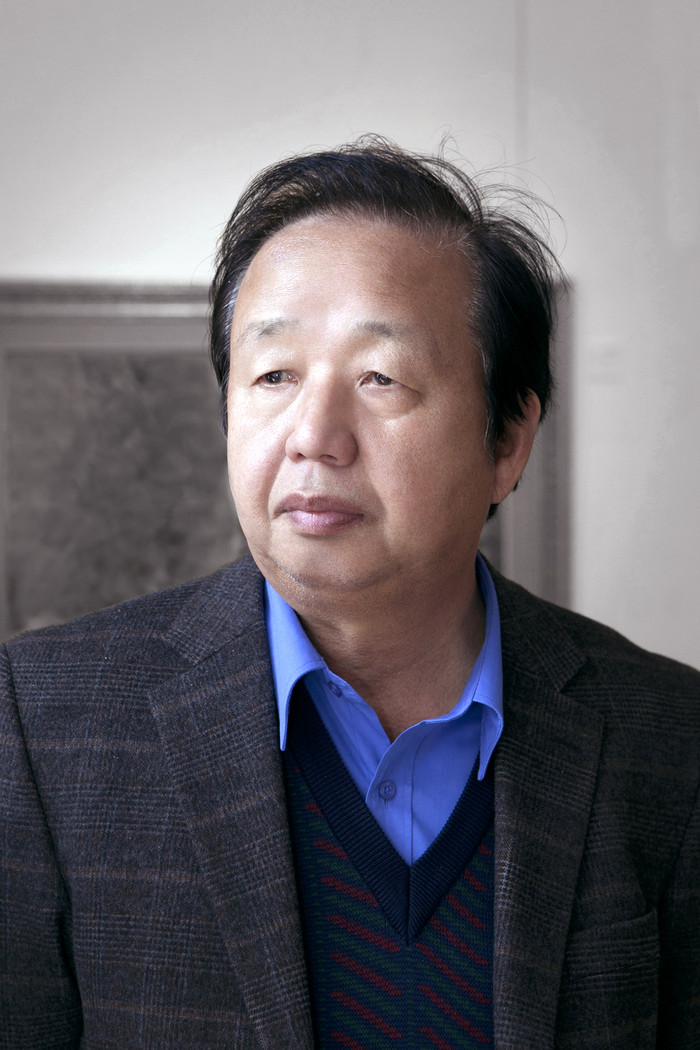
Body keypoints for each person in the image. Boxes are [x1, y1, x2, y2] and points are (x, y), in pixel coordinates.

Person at [1, 139, 698, 1050]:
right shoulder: (44, 726)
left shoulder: (669, 741)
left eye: (380, 378)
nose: (314, 436)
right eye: (274, 376)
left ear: (508, 440)